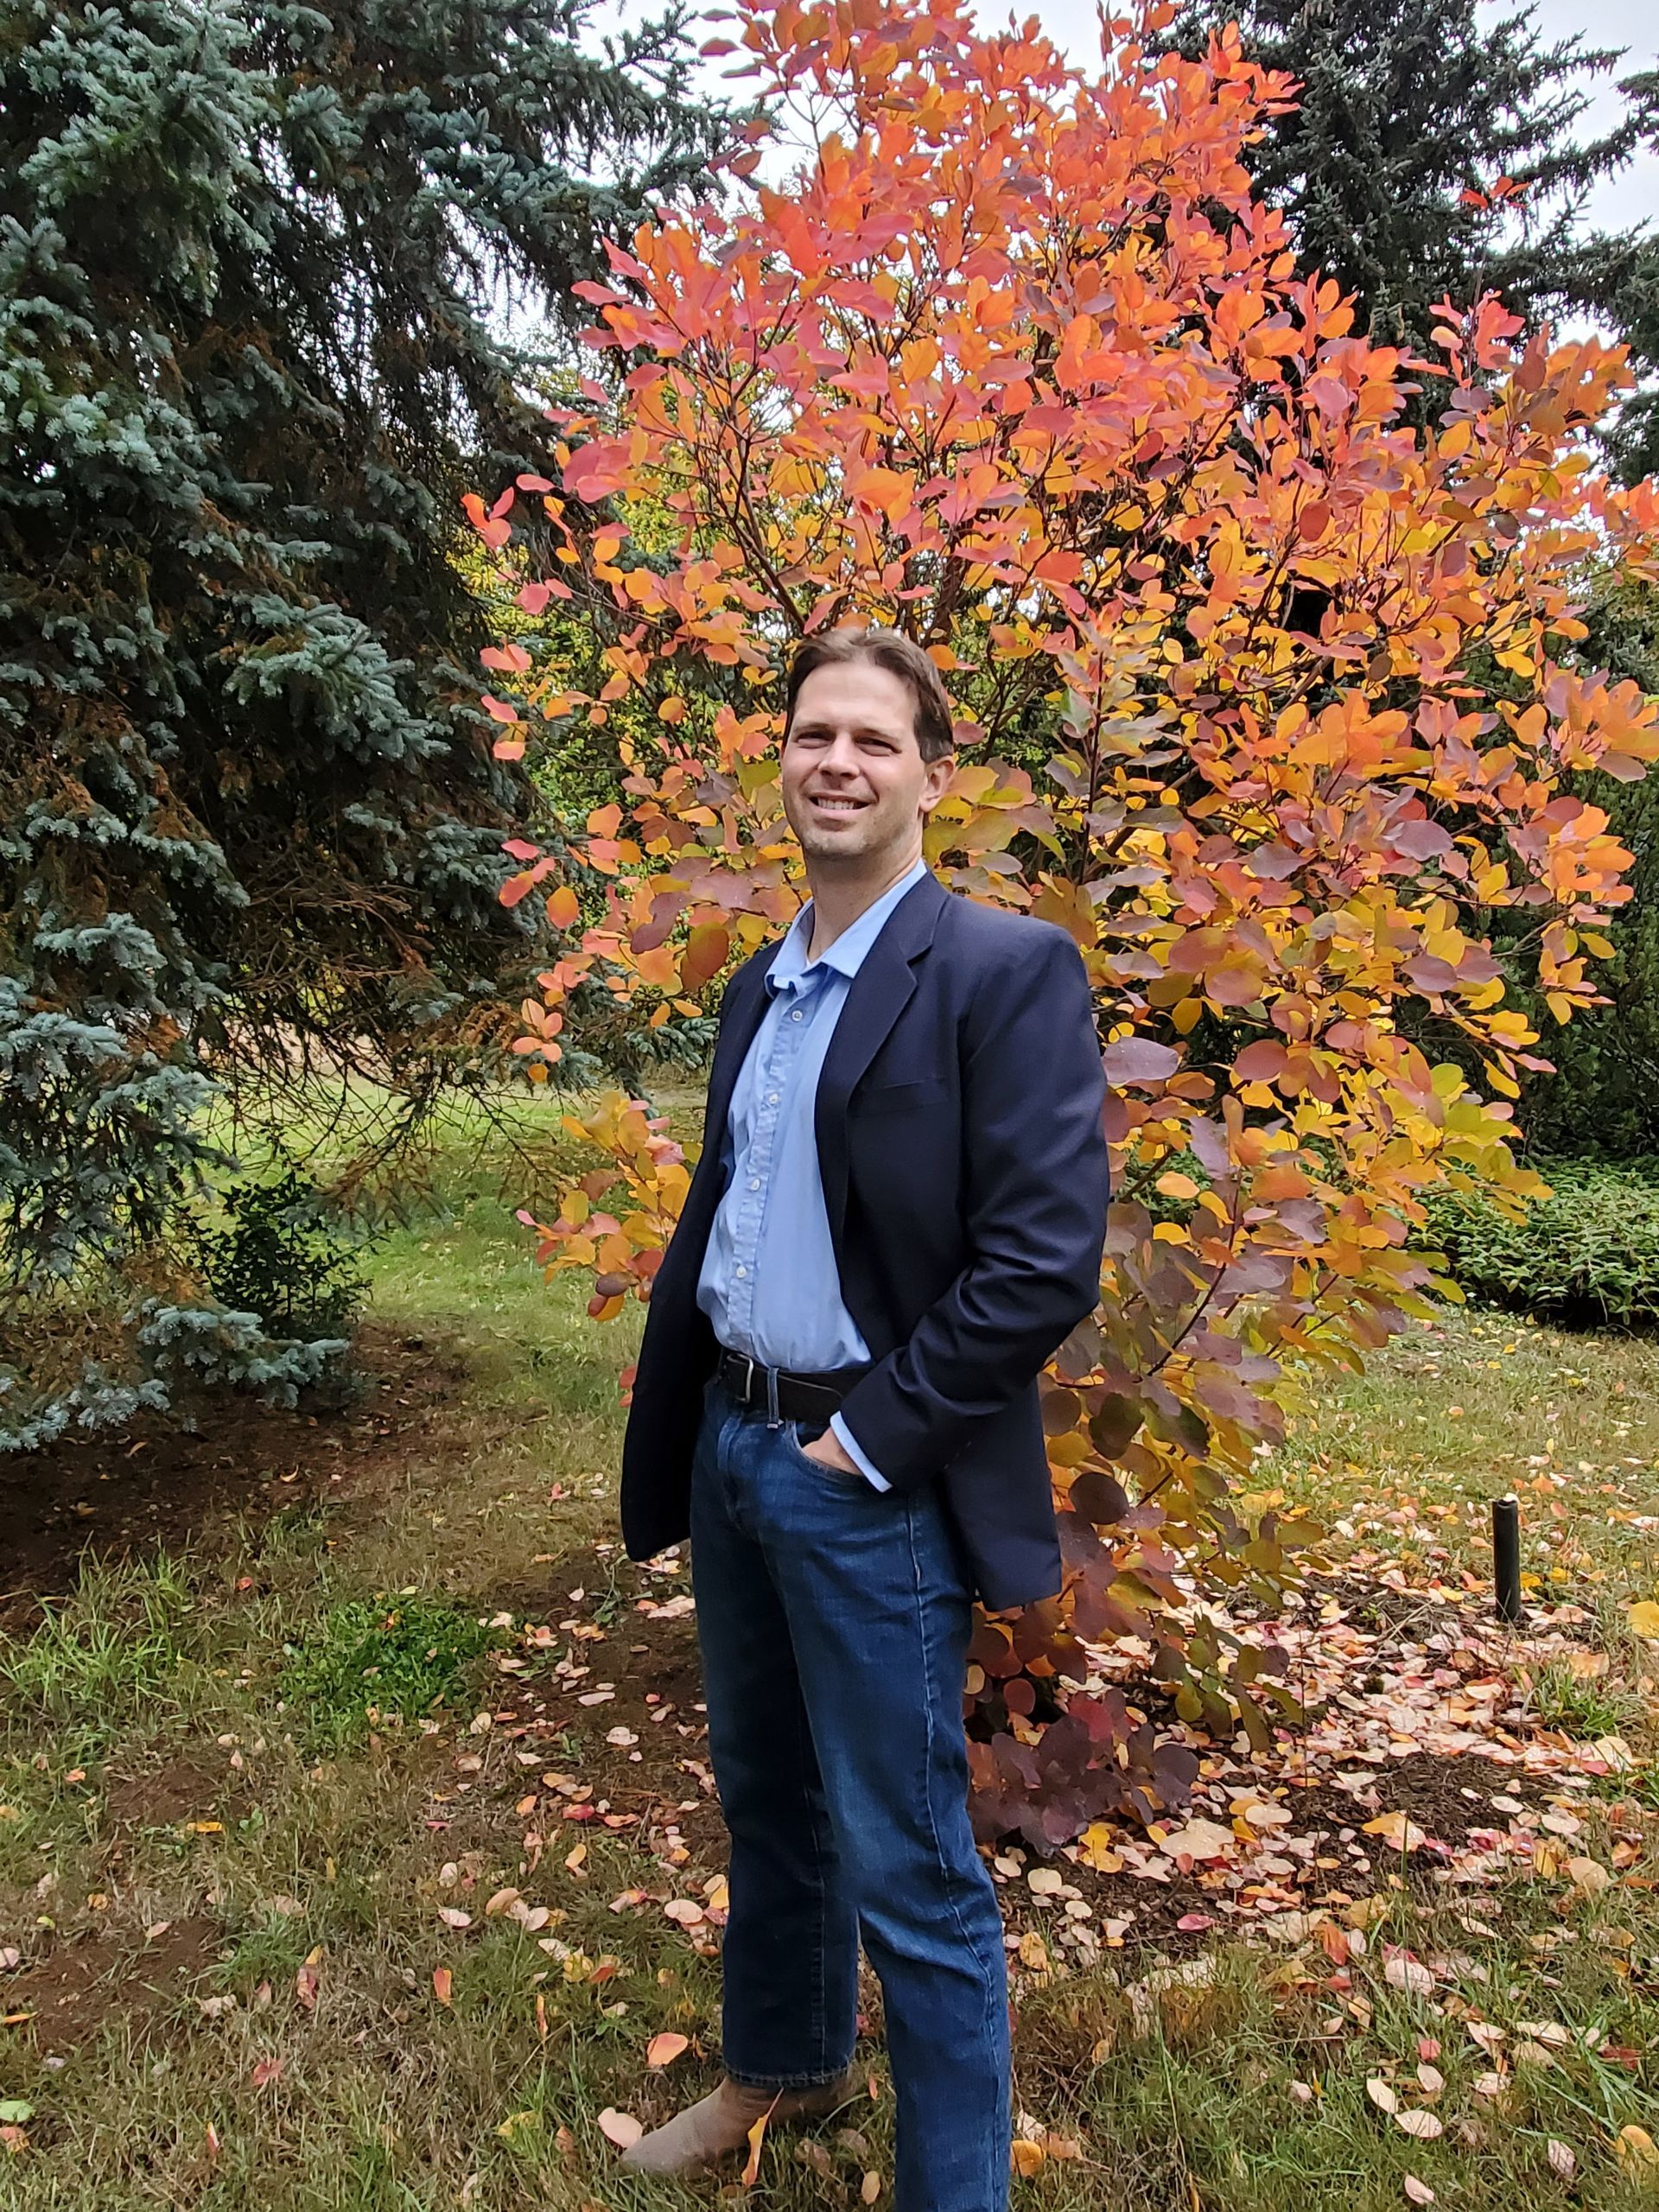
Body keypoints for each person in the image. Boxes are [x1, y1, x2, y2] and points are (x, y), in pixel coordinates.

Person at [617, 627, 1110, 2212]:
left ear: (930, 775)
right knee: (768, 1800)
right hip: (739, 1451)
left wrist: (869, 1440)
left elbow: (1041, 1261)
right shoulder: (763, 984)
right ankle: (784, 2063)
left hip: (868, 1473)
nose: (839, 762)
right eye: (815, 733)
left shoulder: (998, 968)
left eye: (875, 741)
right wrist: (710, 1426)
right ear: (784, 759)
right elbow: (738, 1213)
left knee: (912, 1869)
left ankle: (952, 2192)